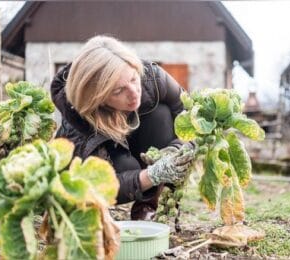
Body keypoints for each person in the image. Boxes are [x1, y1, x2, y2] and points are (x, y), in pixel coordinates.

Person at [50, 35, 194, 220]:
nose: (134, 93)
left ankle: (148, 205)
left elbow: (191, 116)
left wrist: (175, 149)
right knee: (126, 167)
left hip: (138, 140)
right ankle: (100, 214)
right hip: (110, 160)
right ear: (97, 98)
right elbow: (99, 185)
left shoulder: (151, 76)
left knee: (162, 115)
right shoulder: (78, 117)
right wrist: (152, 175)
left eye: (133, 79)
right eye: (118, 91)